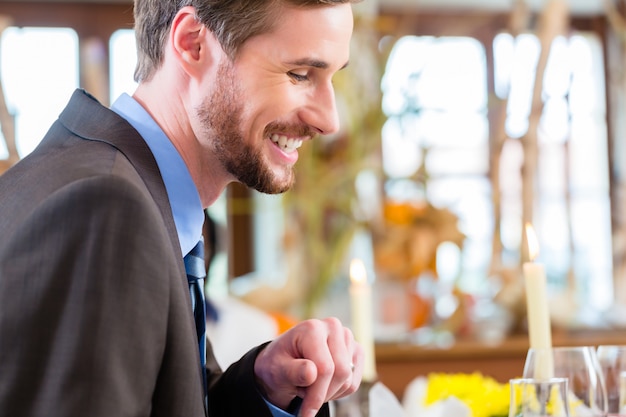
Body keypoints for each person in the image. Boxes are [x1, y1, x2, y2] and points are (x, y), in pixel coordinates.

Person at [0, 1, 364, 417]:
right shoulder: (108, 211)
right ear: (193, 44)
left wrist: (264, 384)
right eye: (300, 74)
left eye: (333, 78)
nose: (329, 119)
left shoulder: (131, 195)